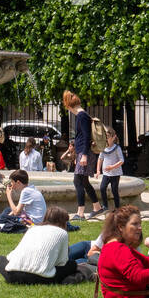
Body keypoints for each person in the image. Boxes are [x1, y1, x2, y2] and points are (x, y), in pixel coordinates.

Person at [0, 206, 89, 284]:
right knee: (71, 265)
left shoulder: (32, 229)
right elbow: (62, 262)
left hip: (13, 276)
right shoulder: (62, 233)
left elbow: (11, 257)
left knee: (0, 259)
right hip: (41, 277)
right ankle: (71, 279)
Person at [63, 91, 104, 220]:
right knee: (84, 181)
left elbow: (86, 137)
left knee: (78, 181)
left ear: (69, 106)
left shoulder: (82, 116)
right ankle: (97, 208)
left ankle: (80, 213)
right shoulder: (83, 116)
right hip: (82, 152)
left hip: (85, 153)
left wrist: (84, 155)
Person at [96, 127, 125, 210]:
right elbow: (100, 159)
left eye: (108, 137)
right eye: (105, 137)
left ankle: (117, 208)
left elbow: (121, 160)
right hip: (106, 174)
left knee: (114, 190)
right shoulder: (103, 148)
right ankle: (105, 206)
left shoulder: (117, 148)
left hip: (115, 174)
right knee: (102, 188)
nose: (106, 139)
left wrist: (112, 167)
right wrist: (98, 170)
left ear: (113, 137)